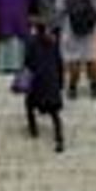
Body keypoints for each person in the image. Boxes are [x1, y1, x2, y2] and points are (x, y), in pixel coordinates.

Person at [22, 17, 64, 153]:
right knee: (55, 114)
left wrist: (24, 82)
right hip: (52, 84)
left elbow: (28, 62)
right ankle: (59, 140)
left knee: (29, 104)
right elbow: (59, 64)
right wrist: (60, 83)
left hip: (37, 85)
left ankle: (33, 129)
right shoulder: (54, 44)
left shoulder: (32, 43)